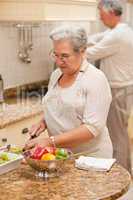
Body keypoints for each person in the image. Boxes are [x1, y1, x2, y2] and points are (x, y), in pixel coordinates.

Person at [24, 25, 112, 158]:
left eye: (65, 56)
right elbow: (60, 107)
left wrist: (50, 141)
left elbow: (91, 128)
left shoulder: (95, 79)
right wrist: (43, 122)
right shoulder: (56, 75)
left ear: (82, 52)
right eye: (56, 54)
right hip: (62, 156)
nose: (59, 62)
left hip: (90, 158)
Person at [86, 0, 133, 173]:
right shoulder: (118, 30)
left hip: (118, 89)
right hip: (122, 87)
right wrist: (80, 40)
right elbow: (94, 39)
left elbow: (92, 52)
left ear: (111, 12)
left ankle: (123, 173)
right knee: (119, 131)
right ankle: (124, 170)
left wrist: (71, 51)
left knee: (117, 133)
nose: (99, 16)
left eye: (101, 12)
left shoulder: (117, 35)